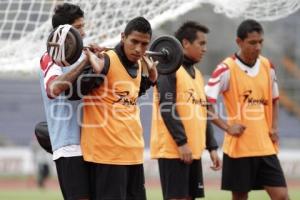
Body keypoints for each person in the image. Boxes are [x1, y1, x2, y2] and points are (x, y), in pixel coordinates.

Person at [205, 19, 289, 200]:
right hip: (239, 148)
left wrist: (274, 127)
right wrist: (227, 127)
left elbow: (274, 99)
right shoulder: (226, 68)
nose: (258, 47)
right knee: (240, 198)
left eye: (260, 42)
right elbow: (205, 103)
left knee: (281, 196)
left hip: (265, 147)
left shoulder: (268, 66)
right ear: (239, 42)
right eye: (252, 43)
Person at [80, 16, 158, 200]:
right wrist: (88, 60)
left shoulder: (140, 65)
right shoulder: (105, 60)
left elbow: (130, 95)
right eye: (134, 42)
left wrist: (151, 79)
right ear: (123, 37)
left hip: (133, 154)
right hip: (107, 157)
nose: (139, 49)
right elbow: (75, 91)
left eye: (144, 44)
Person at [150, 21, 221, 200]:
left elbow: (202, 111)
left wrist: (212, 146)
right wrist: (181, 142)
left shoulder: (197, 74)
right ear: (185, 43)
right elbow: (167, 108)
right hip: (174, 150)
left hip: (193, 150)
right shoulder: (168, 69)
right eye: (201, 43)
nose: (205, 48)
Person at [39, 3, 104, 199]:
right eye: (78, 28)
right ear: (64, 33)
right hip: (70, 147)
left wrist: (100, 59)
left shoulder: (86, 56)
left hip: (96, 145)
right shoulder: (49, 58)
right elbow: (54, 88)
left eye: (83, 27)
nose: (83, 33)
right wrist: (86, 61)